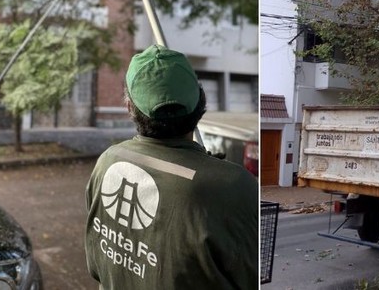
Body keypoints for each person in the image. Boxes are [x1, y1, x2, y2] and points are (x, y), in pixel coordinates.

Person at [85, 45, 258, 290]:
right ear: (201, 102)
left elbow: (96, 266)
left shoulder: (108, 160)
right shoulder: (233, 187)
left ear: (129, 108)